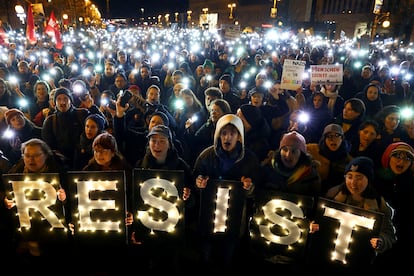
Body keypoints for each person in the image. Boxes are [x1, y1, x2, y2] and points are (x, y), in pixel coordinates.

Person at [193, 114, 261, 273]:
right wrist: (199, 183)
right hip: (209, 214)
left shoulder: (250, 159)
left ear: (239, 137)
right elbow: (194, 178)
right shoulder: (206, 155)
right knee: (206, 252)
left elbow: (257, 189)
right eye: (223, 133)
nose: (227, 137)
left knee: (227, 254)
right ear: (218, 135)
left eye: (232, 133)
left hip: (234, 218)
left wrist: (249, 187)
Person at [309, 156, 397, 274]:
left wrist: (381, 241)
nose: (353, 183)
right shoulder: (332, 196)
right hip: (327, 259)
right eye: (349, 177)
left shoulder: (379, 204)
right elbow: (316, 220)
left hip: (358, 263)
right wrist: (313, 226)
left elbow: (389, 234)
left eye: (359, 178)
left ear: (368, 179)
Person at [134, 124, 193, 273]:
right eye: (153, 141)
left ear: (170, 144)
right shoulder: (140, 165)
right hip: (149, 230)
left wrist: (187, 196)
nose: (157, 145)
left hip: (171, 233)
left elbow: (194, 202)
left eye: (162, 141)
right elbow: (134, 198)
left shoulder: (182, 166)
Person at [4, 138, 70, 266]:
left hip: (55, 236)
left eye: (36, 155)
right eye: (27, 155)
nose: (31, 159)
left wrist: (64, 199)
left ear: (46, 155)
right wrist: (7, 202)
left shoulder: (60, 172)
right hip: (28, 234)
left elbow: (73, 203)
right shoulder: (14, 173)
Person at [374, 142, 414, 270]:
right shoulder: (376, 179)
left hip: (403, 239)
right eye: (397, 156)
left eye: (407, 158)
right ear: (388, 157)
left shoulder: (411, 183)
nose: (401, 161)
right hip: (379, 235)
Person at [41, 87, 90, 169]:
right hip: (60, 163)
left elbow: (99, 126)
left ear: (71, 101)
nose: (62, 102)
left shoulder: (82, 114)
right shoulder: (50, 121)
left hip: (82, 160)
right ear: (54, 103)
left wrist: (92, 108)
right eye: (59, 99)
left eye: (65, 99)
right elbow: (48, 144)